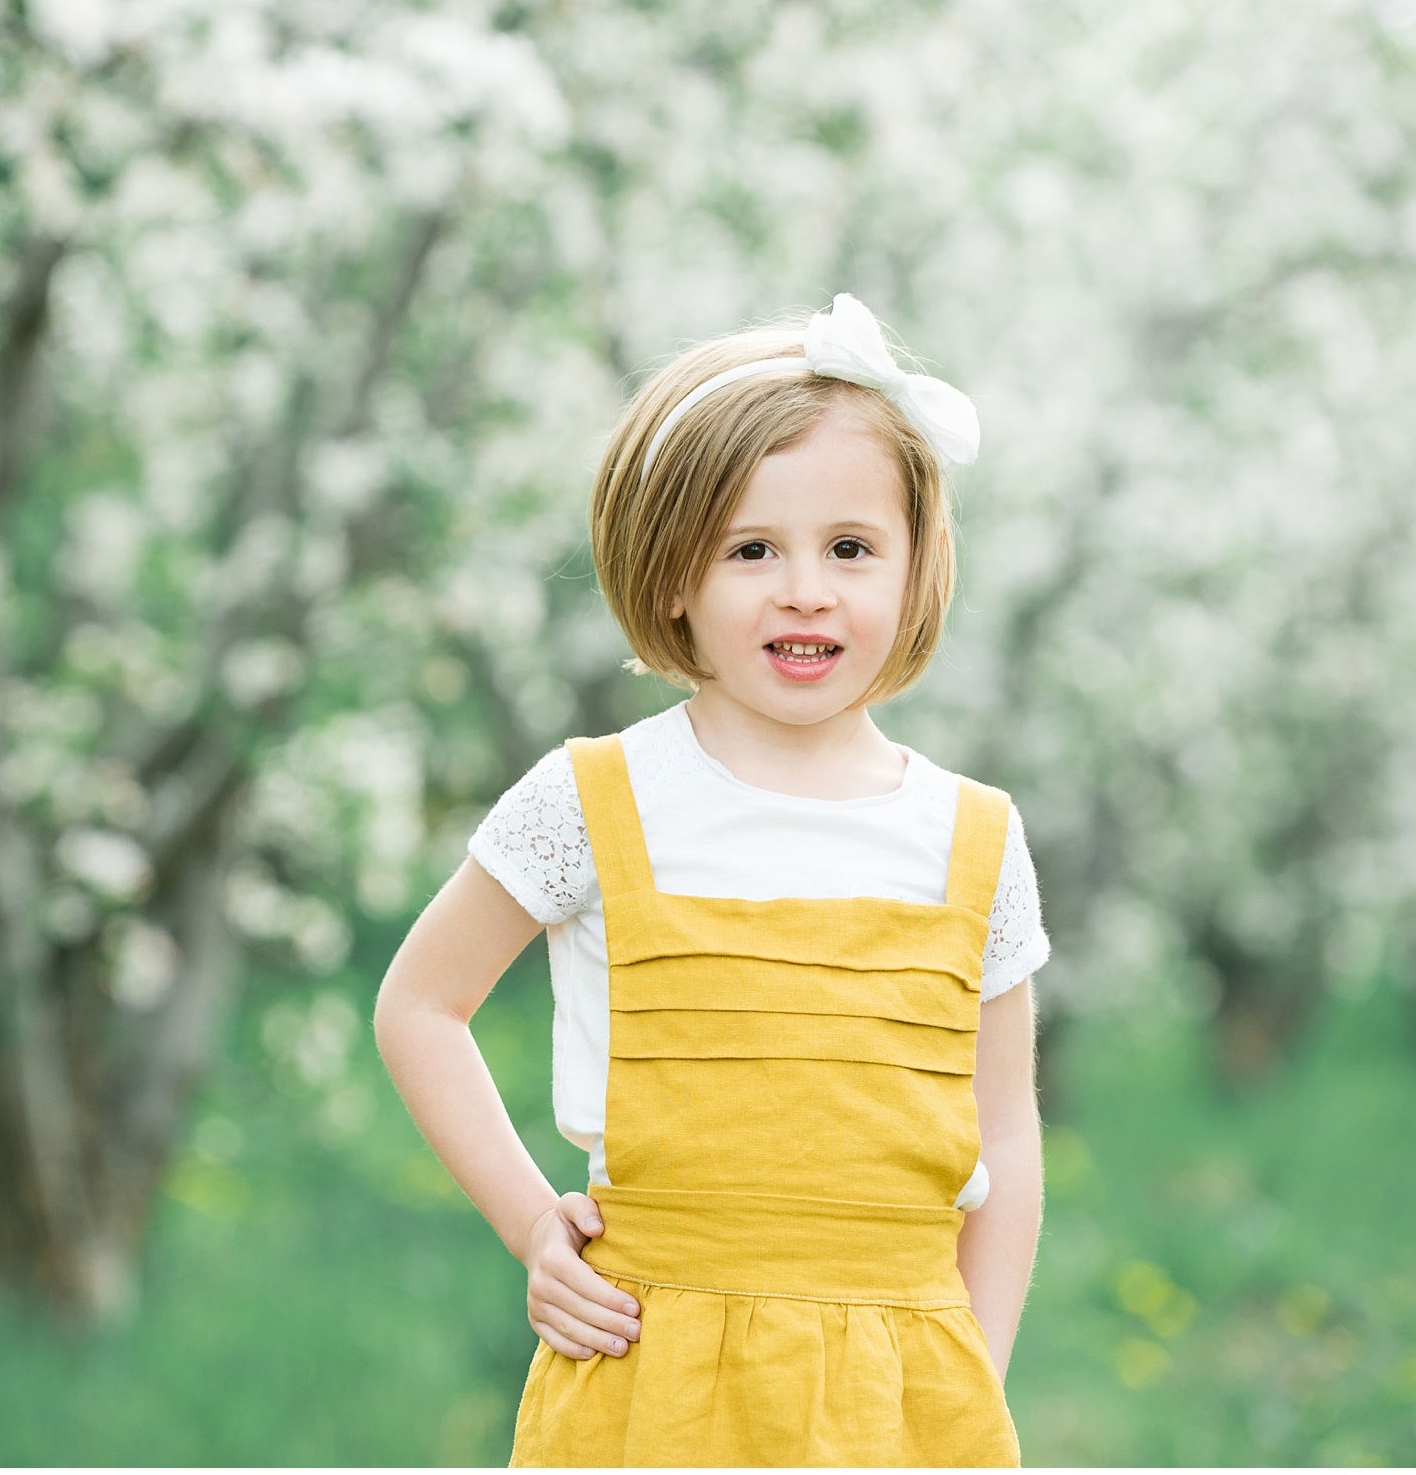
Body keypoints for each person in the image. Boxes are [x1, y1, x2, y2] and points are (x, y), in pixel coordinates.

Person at [374, 294, 1047, 1467]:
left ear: (913, 565)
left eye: (849, 547)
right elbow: (419, 1007)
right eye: (750, 550)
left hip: (900, 1387)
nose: (804, 589)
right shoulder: (594, 800)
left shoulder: (971, 837)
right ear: (672, 575)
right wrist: (537, 1226)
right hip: (654, 1373)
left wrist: (970, 1370)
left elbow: (1006, 1130)